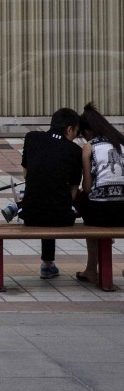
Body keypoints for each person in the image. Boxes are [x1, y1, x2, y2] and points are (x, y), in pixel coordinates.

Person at [19, 108, 82, 279]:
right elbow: (74, 190)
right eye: (76, 132)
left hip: (30, 215)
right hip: (61, 218)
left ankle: (47, 264)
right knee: (54, 201)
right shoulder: (75, 151)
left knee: (44, 196)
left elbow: (26, 174)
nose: (75, 137)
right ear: (69, 129)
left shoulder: (32, 138)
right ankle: (48, 264)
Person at [75, 102, 124, 284]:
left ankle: (91, 270)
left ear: (88, 132)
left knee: (86, 201)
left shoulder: (90, 146)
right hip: (123, 211)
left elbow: (87, 187)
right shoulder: (121, 142)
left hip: (100, 214)